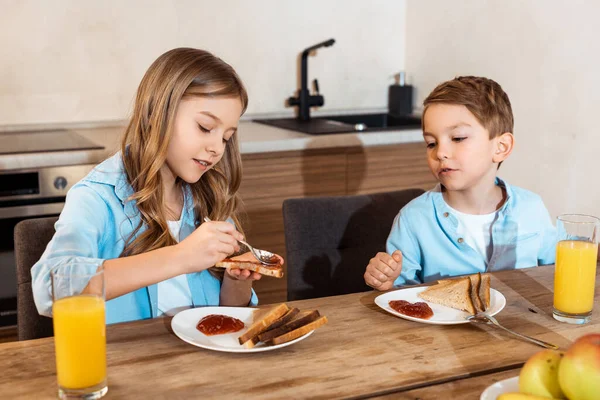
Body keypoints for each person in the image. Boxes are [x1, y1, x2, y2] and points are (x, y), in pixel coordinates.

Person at [32, 48, 264, 323]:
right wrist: (181, 257)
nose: (216, 148)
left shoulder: (209, 197)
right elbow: (49, 287)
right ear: (156, 113)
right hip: (127, 363)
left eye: (226, 137)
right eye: (204, 127)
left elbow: (228, 316)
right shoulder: (97, 198)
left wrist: (236, 280)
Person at [364, 76, 556, 290]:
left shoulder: (531, 208)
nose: (441, 152)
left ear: (501, 147)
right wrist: (386, 282)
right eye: (431, 143)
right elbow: (398, 297)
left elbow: (555, 272)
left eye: (457, 138)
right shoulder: (413, 219)